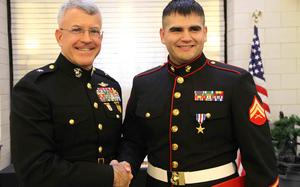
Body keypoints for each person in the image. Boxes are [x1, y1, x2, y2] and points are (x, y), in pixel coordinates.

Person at [118, 0, 279, 186]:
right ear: (163, 35)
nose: (186, 37)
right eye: (176, 30)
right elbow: (133, 141)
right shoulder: (144, 83)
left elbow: (259, 155)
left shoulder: (234, 81)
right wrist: (122, 170)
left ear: (205, 33)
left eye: (194, 29)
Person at [10, 0, 132, 186]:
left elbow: (118, 144)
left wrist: (122, 166)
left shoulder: (109, 85)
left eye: (94, 31)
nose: (87, 39)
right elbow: (34, 169)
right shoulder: (34, 88)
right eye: (76, 30)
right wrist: (109, 176)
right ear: (59, 36)